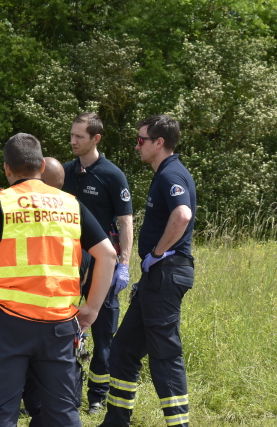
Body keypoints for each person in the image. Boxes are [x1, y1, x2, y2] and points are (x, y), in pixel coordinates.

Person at [0, 133, 118, 427]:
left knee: (0, 415)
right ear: (41, 165)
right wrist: (91, 309)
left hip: (7, 324)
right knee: (62, 416)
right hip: (60, 325)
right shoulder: (70, 204)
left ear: (6, 169)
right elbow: (108, 255)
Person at [99, 115, 196, 427]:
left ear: (159, 143)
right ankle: (116, 420)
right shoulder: (166, 173)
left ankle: (178, 424)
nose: (137, 145)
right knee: (124, 348)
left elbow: (182, 214)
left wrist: (157, 253)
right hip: (157, 276)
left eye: (141, 139)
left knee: (164, 354)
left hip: (166, 272)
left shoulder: (171, 175)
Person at [62, 112, 134, 414]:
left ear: (96, 139)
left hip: (102, 262)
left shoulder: (112, 175)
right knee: (59, 324)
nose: (73, 141)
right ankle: (61, 390)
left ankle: (97, 395)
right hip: (66, 260)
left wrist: (124, 263)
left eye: (79, 136)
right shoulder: (64, 172)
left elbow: (125, 221)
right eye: (72, 135)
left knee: (104, 331)